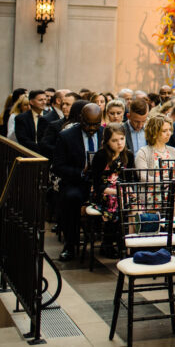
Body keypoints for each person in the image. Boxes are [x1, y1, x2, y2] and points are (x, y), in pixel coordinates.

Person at [52, 102, 105, 261]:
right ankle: (71, 243)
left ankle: (109, 242)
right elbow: (58, 166)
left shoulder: (105, 133)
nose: (91, 129)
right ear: (81, 119)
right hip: (76, 181)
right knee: (71, 198)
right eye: (88, 124)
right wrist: (81, 172)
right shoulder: (66, 136)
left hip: (101, 182)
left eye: (95, 124)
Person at [88, 123, 133, 258]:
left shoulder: (128, 155)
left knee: (134, 202)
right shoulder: (101, 156)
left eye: (121, 139)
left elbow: (129, 179)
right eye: (114, 140)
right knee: (114, 203)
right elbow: (96, 184)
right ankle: (107, 243)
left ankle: (127, 242)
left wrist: (128, 189)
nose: (119, 143)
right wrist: (114, 192)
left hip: (120, 190)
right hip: (103, 191)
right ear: (107, 142)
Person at [14, 89, 54, 157]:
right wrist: (39, 149)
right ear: (31, 102)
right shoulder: (21, 118)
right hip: (29, 154)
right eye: (40, 100)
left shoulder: (50, 116)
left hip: (48, 155)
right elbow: (23, 140)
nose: (44, 102)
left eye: (45, 99)